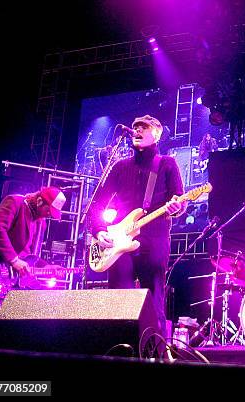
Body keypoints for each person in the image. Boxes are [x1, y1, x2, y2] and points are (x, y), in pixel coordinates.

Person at [90, 115, 186, 336]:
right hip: (119, 239)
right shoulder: (119, 166)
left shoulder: (166, 163)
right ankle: (118, 349)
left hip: (154, 239)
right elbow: (97, 203)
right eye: (135, 127)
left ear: (157, 135)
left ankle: (156, 350)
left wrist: (177, 207)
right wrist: (98, 230)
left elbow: (179, 200)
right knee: (118, 300)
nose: (137, 130)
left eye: (144, 127)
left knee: (153, 298)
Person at [0, 186, 66, 344]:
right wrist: (14, 260)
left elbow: (28, 255)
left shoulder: (40, 224)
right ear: (40, 200)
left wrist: (46, 267)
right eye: (49, 211)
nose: (49, 215)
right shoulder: (16, 202)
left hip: (11, 279)